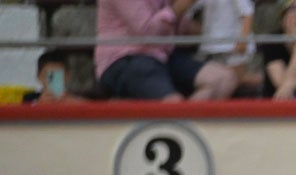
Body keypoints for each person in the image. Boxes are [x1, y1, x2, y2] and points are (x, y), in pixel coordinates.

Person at [95, 0, 234, 100]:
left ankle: (186, 123)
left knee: (223, 79)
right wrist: (179, 7)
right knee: (172, 102)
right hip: (125, 59)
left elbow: (174, 25)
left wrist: (214, 33)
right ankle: (182, 124)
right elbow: (147, 32)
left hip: (162, 55)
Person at [191, 0, 253, 100]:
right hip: (211, 47)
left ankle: (264, 80)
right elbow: (192, 7)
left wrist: (242, 41)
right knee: (217, 84)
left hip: (232, 45)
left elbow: (247, 12)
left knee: (235, 81)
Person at [24, 50, 88, 103]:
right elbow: (23, 115)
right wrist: (40, 104)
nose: (53, 80)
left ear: (68, 76)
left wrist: (72, 102)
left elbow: (93, 109)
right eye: (48, 76)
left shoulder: (76, 101)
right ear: (39, 76)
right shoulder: (30, 99)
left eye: (58, 76)